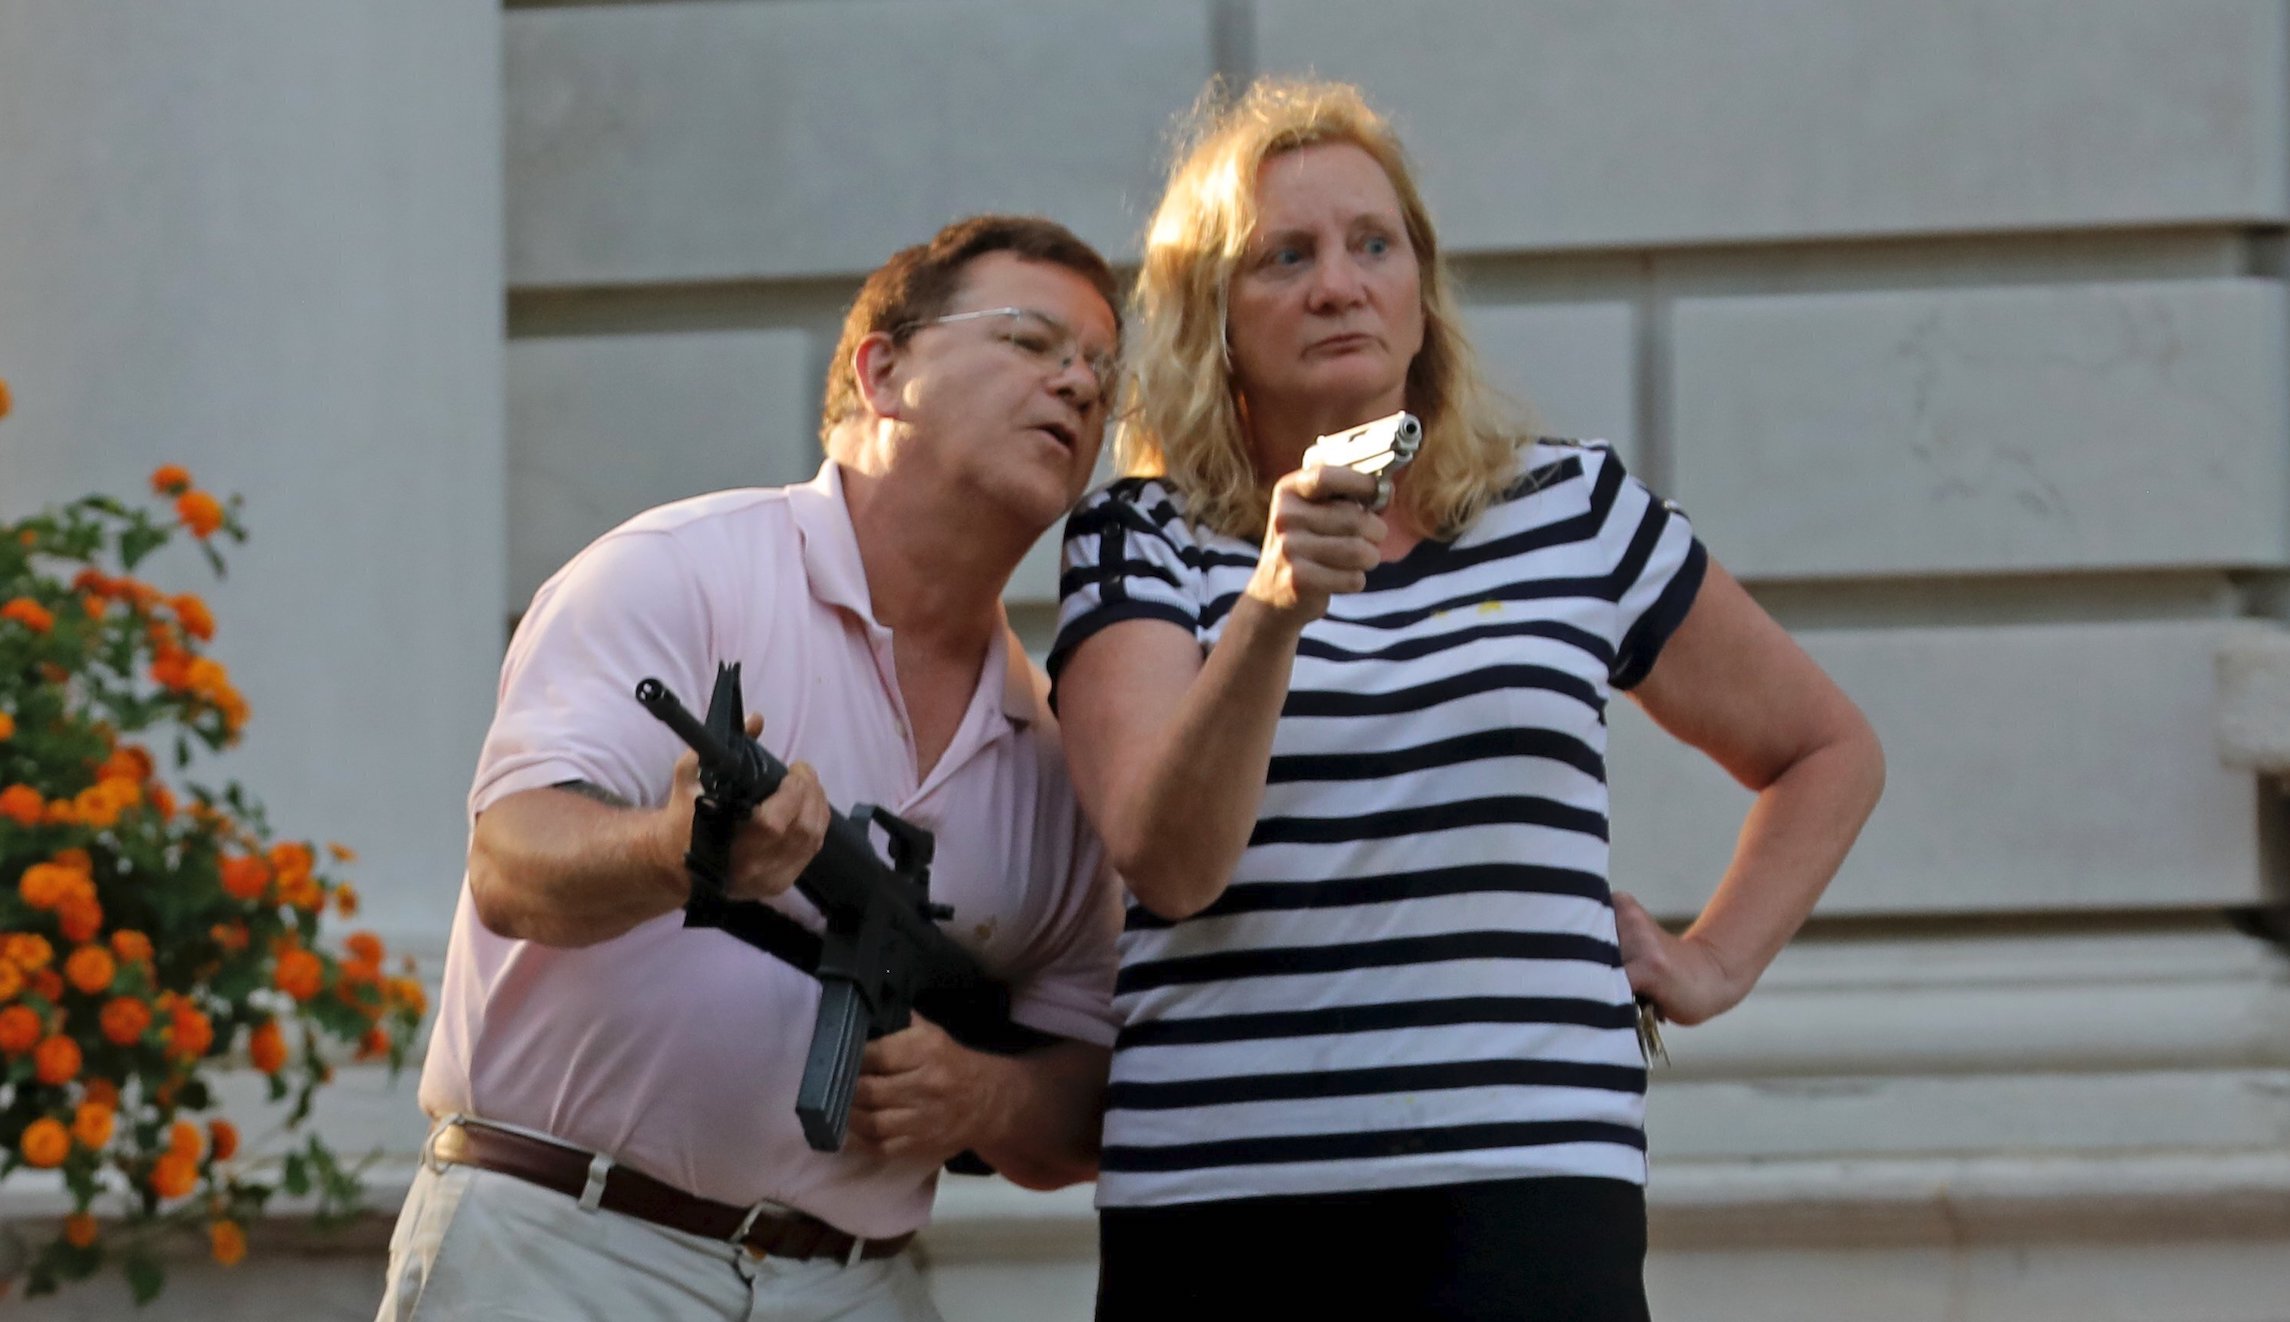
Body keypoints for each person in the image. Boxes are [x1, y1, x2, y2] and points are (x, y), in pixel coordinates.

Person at [1051, 80, 1886, 1320]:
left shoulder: (1571, 509)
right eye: (1286, 256)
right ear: (1210, 314)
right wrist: (1273, 608)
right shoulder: (1141, 537)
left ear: (1422, 291)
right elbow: (1169, 864)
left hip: (1529, 1187)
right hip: (1227, 1202)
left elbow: (1826, 748)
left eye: (1372, 244)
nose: (1340, 285)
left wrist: (1712, 959)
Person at [379, 215, 1127, 1322]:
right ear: (883, 371)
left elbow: (1091, 1091)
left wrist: (985, 1096)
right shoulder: (678, 576)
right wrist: (677, 849)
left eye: (1102, 369)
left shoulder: (1052, 748)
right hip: (564, 1250)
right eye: (1029, 339)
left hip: (852, 1280)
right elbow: (511, 861)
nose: (1078, 384)